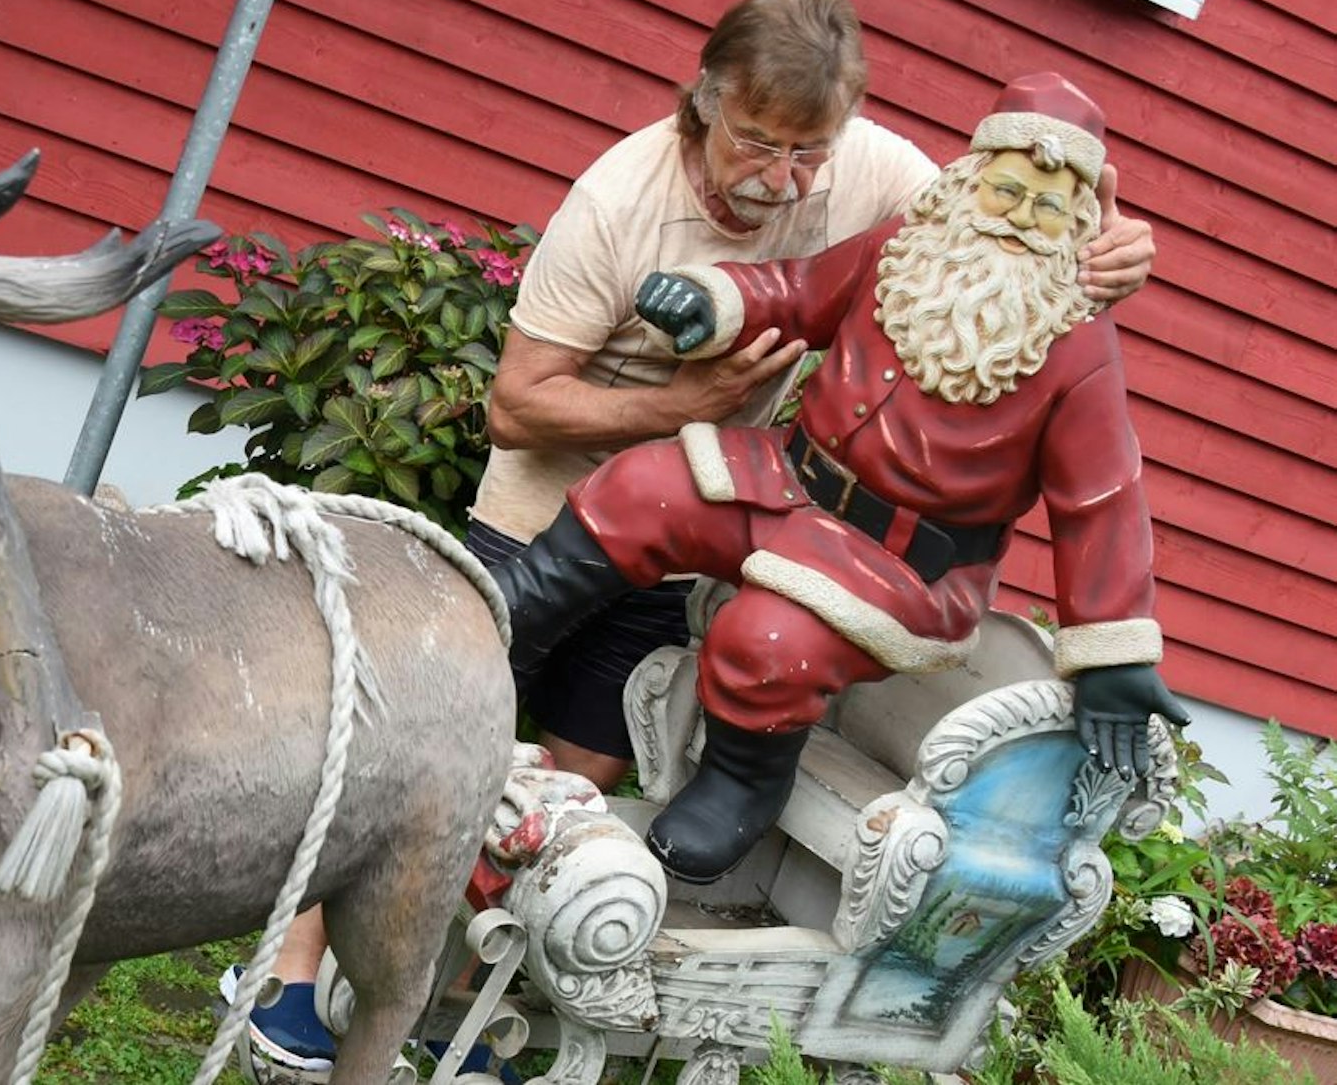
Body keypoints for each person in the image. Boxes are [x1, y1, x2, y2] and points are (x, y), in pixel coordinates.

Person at [234, 0, 1156, 1076]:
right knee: (592, 540)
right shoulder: (632, 200)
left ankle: (493, 977)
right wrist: (708, 318)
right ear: (705, 105)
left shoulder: (976, 263)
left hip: (890, 559)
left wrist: (1102, 244)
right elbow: (556, 386)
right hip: (628, 487)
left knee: (684, 696)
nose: (783, 176)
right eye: (758, 145)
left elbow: (1101, 500)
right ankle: (286, 976)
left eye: (807, 154)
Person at [491, 70, 1191, 883]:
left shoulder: (1078, 347)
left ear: (1076, 222)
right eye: (1004, 193)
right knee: (638, 488)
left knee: (769, 642)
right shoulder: (904, 247)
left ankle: (742, 779)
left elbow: (1101, 502)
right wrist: (715, 299)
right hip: (788, 482)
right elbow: (797, 291)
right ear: (969, 183)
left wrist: (1113, 658)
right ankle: (508, 627)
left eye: (1043, 209)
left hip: (899, 560)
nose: (1015, 224)